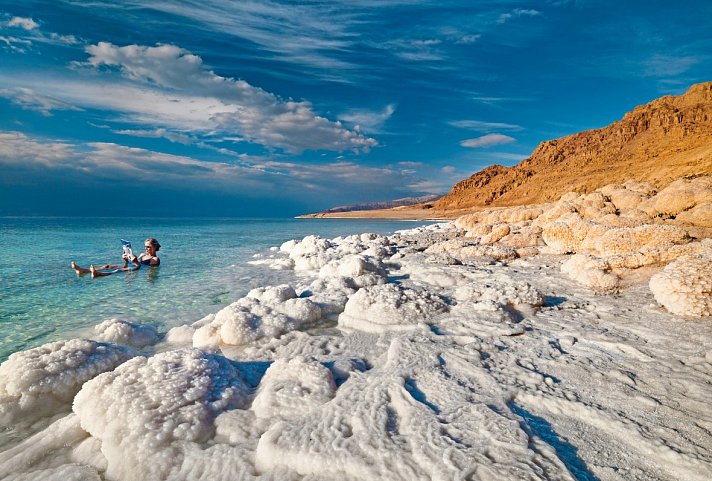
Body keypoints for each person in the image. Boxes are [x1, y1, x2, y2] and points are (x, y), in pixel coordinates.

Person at [71, 238, 161, 278]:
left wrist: (136, 262)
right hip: (133, 265)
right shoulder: (142, 254)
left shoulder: (156, 259)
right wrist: (126, 260)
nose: (146, 248)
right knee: (107, 266)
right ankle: (83, 270)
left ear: (154, 247)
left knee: (118, 271)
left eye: (148, 247)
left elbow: (145, 269)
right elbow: (131, 262)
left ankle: (99, 274)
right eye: (145, 246)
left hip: (138, 268)